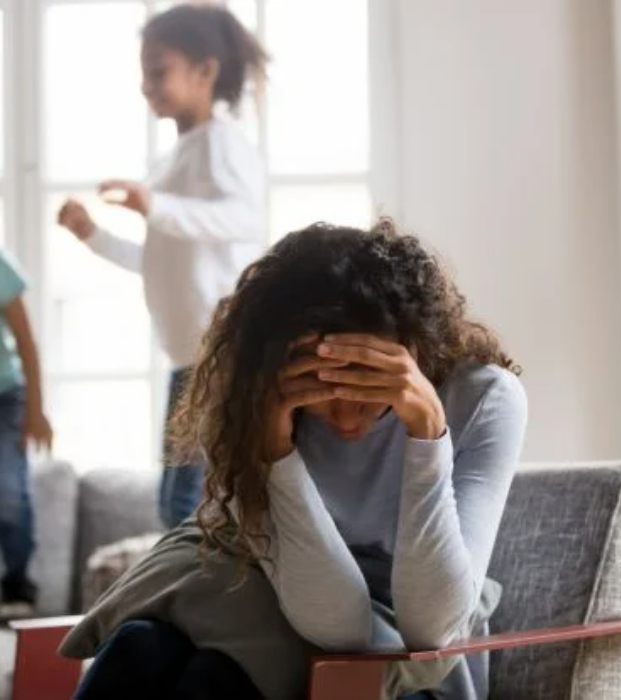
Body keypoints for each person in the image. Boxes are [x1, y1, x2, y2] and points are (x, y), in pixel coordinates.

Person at [61, 220, 528, 700]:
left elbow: (430, 629)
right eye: (322, 388)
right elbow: (336, 618)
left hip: (408, 658)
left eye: (366, 383)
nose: (345, 416)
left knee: (217, 677)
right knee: (141, 648)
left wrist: (427, 434)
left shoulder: (483, 398)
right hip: (274, 590)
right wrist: (275, 452)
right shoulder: (251, 396)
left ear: (413, 347)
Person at [56, 4, 267, 529]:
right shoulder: (173, 159)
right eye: (144, 74)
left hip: (221, 353)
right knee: (175, 503)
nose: (146, 86)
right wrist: (93, 235)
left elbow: (244, 218)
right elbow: (157, 262)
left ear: (205, 70)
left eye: (158, 72)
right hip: (187, 357)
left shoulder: (220, 141)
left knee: (189, 502)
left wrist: (155, 205)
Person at [0, 250, 52, 619]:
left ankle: (18, 585)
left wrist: (36, 410)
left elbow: (26, 341)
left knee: (8, 491)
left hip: (5, 397)